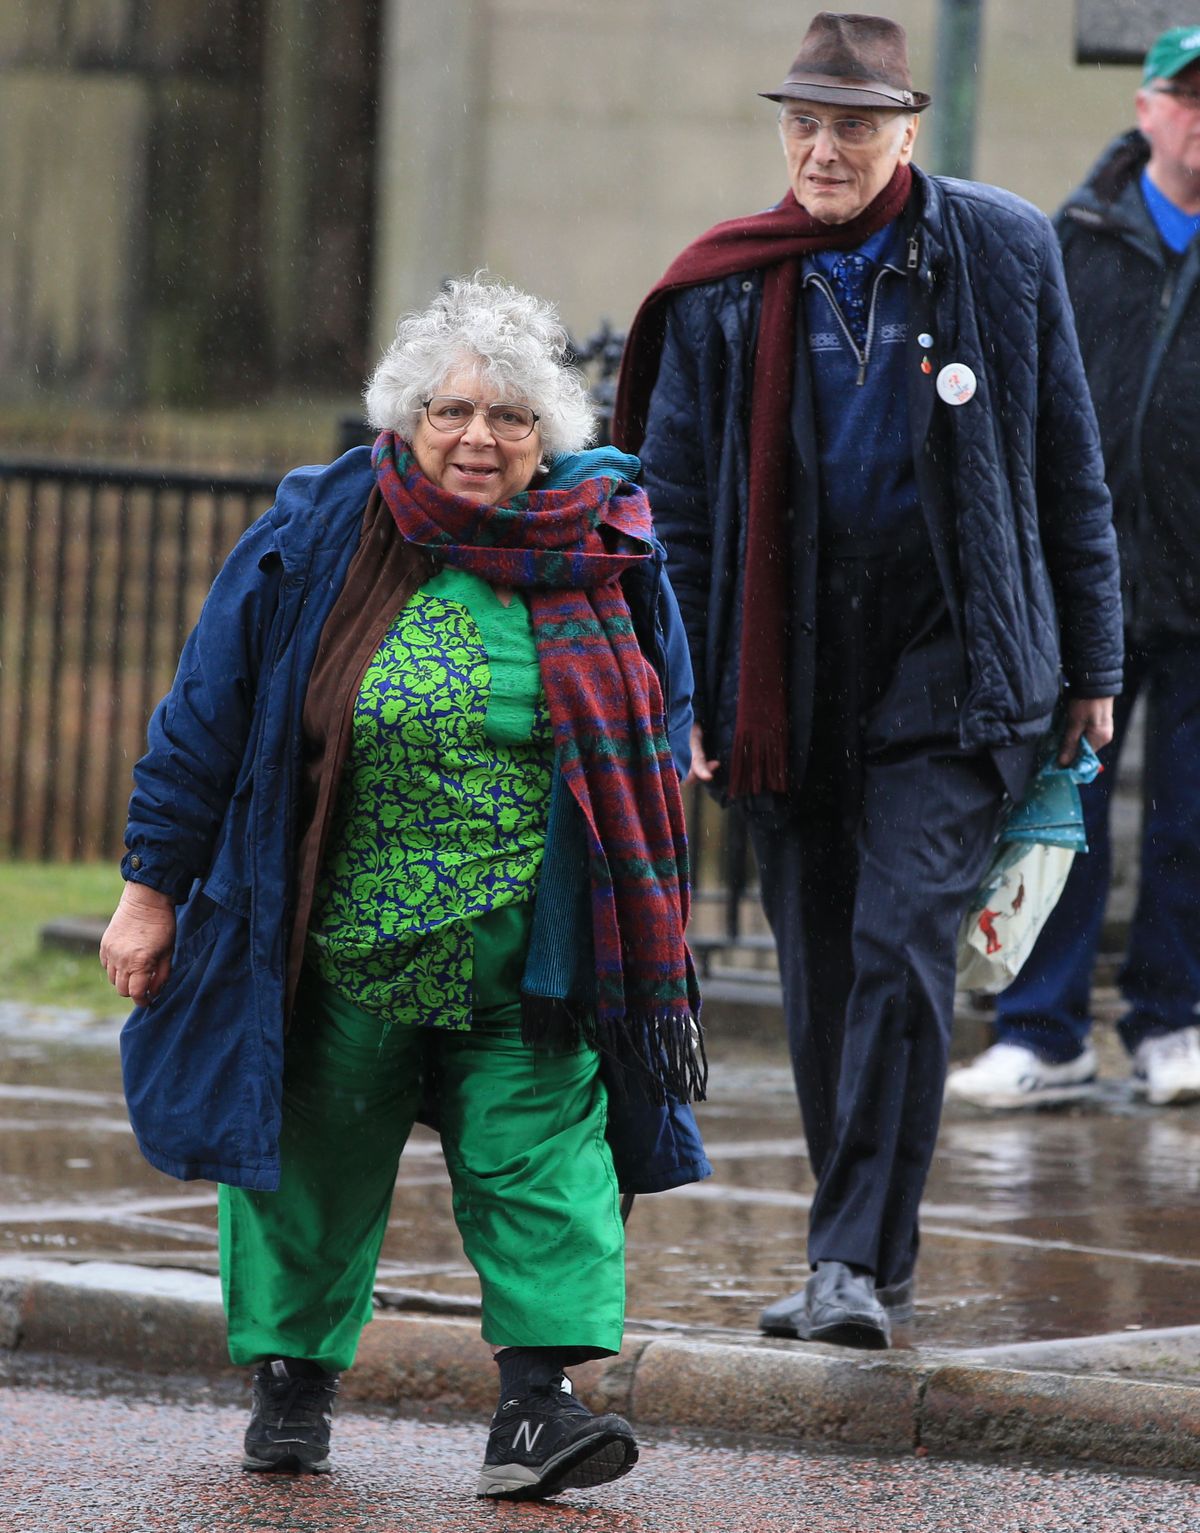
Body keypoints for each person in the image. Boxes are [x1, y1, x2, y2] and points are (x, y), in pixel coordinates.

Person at [99, 274, 709, 1500]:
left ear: (551, 437)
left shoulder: (609, 547)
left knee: (545, 1164)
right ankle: (292, 1387)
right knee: (312, 1164)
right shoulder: (321, 529)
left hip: (532, 957)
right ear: (404, 421)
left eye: (511, 418)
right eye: (452, 413)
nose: (479, 439)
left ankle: (540, 1409)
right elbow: (208, 716)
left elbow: (666, 717)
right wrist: (150, 888)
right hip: (342, 940)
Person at [612, 12, 1122, 1350]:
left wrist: (1095, 662)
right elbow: (680, 518)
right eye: (804, 121)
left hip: (955, 662)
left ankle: (844, 1260)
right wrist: (684, 696)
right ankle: (867, 1261)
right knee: (827, 976)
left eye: (852, 123)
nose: (823, 147)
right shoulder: (729, 285)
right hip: (786, 674)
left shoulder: (999, 247)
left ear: (908, 127)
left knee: (901, 951)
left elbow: (1064, 460)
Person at [948, 27, 1200, 1113]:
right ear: (1146, 110)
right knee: (1064, 814)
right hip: (1090, 588)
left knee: (1194, 823)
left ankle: (1175, 1020)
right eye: (1188, 96)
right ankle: (1042, 1030)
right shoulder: (1074, 236)